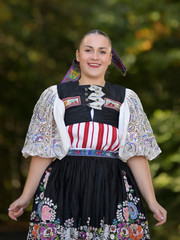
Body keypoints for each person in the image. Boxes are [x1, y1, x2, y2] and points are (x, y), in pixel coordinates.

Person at [8, 29, 167, 240]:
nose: (95, 57)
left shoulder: (126, 99)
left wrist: (152, 201)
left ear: (111, 58)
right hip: (65, 184)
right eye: (88, 50)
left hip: (112, 186)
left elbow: (136, 155)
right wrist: (25, 196)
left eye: (102, 51)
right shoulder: (55, 96)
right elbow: (44, 150)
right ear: (78, 55)